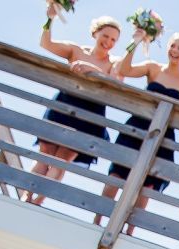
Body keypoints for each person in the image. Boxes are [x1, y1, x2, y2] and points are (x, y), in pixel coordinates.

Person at [97, 31, 179, 231]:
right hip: (138, 125)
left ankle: (130, 230)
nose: (175, 51)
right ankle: (97, 219)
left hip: (163, 135)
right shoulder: (153, 68)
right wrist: (135, 42)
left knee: (147, 185)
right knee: (117, 174)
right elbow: (124, 69)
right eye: (173, 46)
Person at [26, 10, 121, 206]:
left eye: (113, 40)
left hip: (89, 114)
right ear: (95, 33)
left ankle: (38, 201)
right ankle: (26, 196)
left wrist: (92, 70)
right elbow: (46, 44)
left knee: (61, 159)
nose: (108, 42)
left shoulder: (114, 63)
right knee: (45, 153)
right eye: (105, 36)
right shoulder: (76, 50)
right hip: (64, 103)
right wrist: (50, 18)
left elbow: (116, 83)